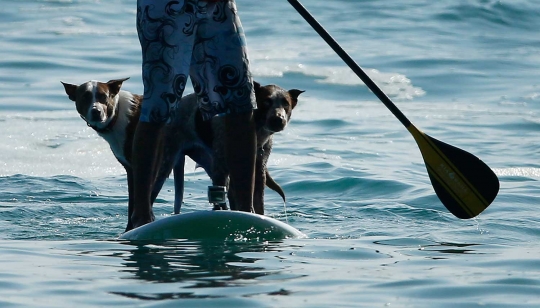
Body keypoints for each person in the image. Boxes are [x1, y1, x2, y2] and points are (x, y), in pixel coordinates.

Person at [130, 0, 257, 229]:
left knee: (240, 104)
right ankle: (140, 216)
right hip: (166, 6)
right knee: (158, 108)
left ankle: (245, 214)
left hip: (218, 6)